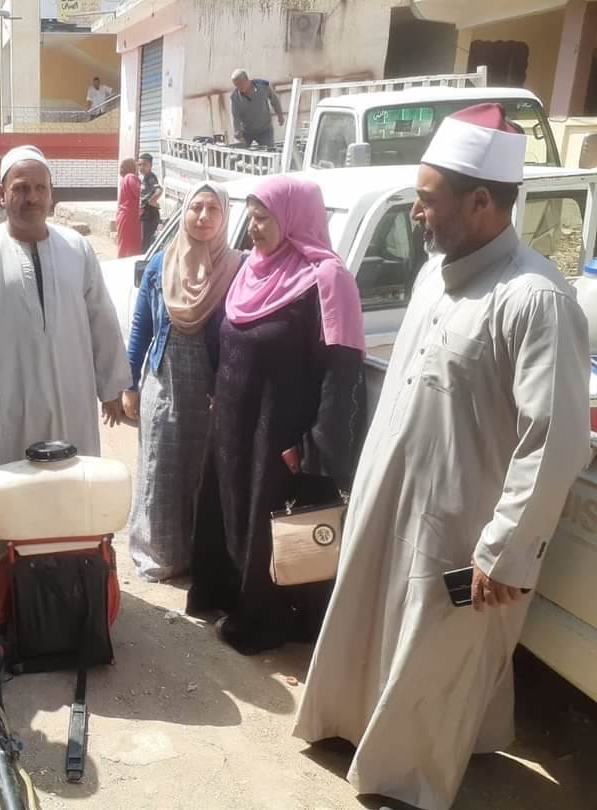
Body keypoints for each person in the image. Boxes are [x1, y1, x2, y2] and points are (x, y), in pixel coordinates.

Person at [294, 104, 591, 810]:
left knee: (436, 658)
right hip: (393, 504)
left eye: (428, 199)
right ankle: (358, 734)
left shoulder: (536, 300)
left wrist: (505, 550)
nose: (417, 213)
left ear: (480, 201)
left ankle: (407, 786)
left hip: (461, 531)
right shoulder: (434, 275)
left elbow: (554, 439)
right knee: (380, 634)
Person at [186, 175, 367, 655]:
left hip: (280, 436)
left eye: (263, 218)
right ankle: (228, 597)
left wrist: (314, 448)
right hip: (233, 427)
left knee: (273, 530)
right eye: (251, 216)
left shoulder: (327, 280)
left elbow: (342, 372)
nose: (253, 227)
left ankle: (266, 622)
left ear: (293, 219)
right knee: (230, 513)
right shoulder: (252, 269)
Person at [0, 145, 130, 590]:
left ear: (51, 194)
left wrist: (112, 386)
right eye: (20, 188)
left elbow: (102, 319)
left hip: (71, 401)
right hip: (3, 404)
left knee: (71, 493)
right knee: (3, 496)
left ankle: (73, 591)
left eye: (39, 188)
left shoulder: (77, 248)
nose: (30, 198)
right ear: (2, 193)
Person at [123, 182, 241, 581]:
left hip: (210, 392)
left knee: (200, 472)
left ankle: (196, 555)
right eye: (196, 207)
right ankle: (159, 554)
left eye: (213, 209)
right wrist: (130, 384)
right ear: (185, 212)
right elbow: (141, 328)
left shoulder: (236, 269)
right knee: (160, 469)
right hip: (163, 384)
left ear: (225, 216)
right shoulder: (161, 264)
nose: (203, 217)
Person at [230, 70, 285, 148]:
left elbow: (274, 100)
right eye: (236, 85)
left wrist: (280, 115)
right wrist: (238, 135)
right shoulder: (235, 97)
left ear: (247, 80)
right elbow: (236, 117)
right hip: (246, 131)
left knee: (269, 151)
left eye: (240, 84)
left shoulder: (263, 86)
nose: (239, 87)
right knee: (240, 151)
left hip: (265, 130)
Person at [115, 158, 142, 258]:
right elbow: (140, 192)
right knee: (132, 247)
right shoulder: (131, 177)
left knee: (123, 245)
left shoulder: (124, 179)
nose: (138, 167)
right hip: (130, 217)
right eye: (136, 165)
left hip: (123, 215)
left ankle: (120, 263)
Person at [139, 153, 162, 250]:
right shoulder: (144, 177)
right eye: (140, 164)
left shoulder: (151, 178)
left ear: (151, 166)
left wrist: (152, 201)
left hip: (150, 214)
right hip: (145, 213)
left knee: (146, 241)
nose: (141, 167)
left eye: (144, 164)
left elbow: (159, 190)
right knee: (144, 240)